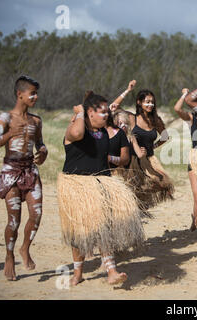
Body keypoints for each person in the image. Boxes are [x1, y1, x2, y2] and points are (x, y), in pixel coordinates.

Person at [57, 91, 145, 286]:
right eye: (102, 112)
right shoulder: (74, 129)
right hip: (78, 188)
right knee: (79, 233)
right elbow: (79, 133)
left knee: (104, 228)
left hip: (100, 185)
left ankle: (111, 271)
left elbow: (121, 160)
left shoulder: (103, 132)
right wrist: (79, 112)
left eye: (108, 112)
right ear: (89, 113)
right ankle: (78, 272)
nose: (107, 115)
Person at [0, 75, 47, 281]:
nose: (36, 96)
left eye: (36, 93)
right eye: (32, 93)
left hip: (31, 170)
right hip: (10, 171)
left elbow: (40, 143)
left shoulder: (36, 120)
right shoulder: (6, 117)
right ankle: (8, 255)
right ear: (19, 94)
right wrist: (9, 134)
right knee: (14, 221)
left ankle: (25, 248)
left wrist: (43, 151)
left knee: (37, 213)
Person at [112, 88, 174, 207]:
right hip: (132, 161)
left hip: (149, 160)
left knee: (163, 184)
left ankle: (139, 207)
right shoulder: (132, 118)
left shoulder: (156, 120)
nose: (150, 104)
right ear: (139, 102)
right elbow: (114, 106)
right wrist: (128, 90)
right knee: (132, 189)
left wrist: (153, 146)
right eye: (147, 101)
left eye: (152, 102)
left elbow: (165, 137)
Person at [174, 87, 197, 241]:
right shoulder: (191, 117)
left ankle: (196, 219)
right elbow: (177, 108)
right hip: (195, 158)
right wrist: (184, 95)